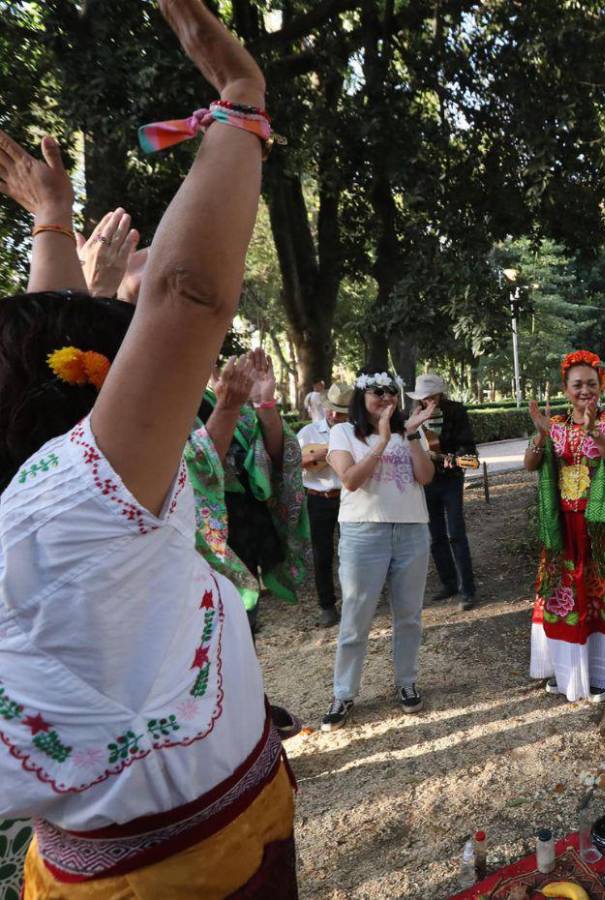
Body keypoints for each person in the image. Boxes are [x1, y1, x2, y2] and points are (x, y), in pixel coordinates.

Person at [0, 1, 297, 896]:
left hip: (81, 866)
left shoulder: (45, 498)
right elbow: (188, 295)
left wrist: (52, 224)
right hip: (198, 870)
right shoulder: (76, 503)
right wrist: (239, 102)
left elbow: (50, 384)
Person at [321, 369, 436, 730]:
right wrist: (383, 440)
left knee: (409, 615)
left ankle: (407, 682)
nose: (386, 397)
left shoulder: (410, 430)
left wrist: (411, 434)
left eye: (391, 391)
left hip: (411, 530)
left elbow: (425, 477)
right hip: (363, 532)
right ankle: (343, 693)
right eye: (377, 391)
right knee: (356, 617)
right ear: (362, 396)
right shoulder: (343, 432)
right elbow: (350, 480)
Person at [524, 352, 605, 704]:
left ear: (601, 386)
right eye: (577, 385)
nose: (585, 390)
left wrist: (596, 436)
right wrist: (541, 435)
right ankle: (566, 671)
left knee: (603, 596)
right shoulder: (554, 424)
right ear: (566, 389)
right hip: (563, 529)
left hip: (603, 529)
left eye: (591, 383)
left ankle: (604, 674)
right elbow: (530, 464)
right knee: (566, 597)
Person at [188, 348, 311, 633]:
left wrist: (263, 403)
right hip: (198, 545)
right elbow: (199, 468)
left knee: (242, 633)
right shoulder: (167, 404)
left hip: (244, 536)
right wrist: (227, 408)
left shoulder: (223, 400)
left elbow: (278, 458)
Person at [409, 372, 480, 610]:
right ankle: (448, 583)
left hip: (451, 479)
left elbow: (469, 449)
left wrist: (451, 457)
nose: (427, 401)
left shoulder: (456, 412)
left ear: (440, 394)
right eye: (423, 397)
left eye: (431, 396)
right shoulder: (414, 416)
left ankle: (467, 590)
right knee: (435, 535)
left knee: (456, 533)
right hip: (427, 480)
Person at [298, 381, 352, 628]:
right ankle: (327, 606)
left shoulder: (355, 432)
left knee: (351, 552)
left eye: (340, 412)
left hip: (348, 498)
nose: (333, 415)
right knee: (322, 554)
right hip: (318, 499)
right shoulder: (308, 432)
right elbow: (292, 462)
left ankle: (353, 601)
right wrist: (321, 454)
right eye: (331, 410)